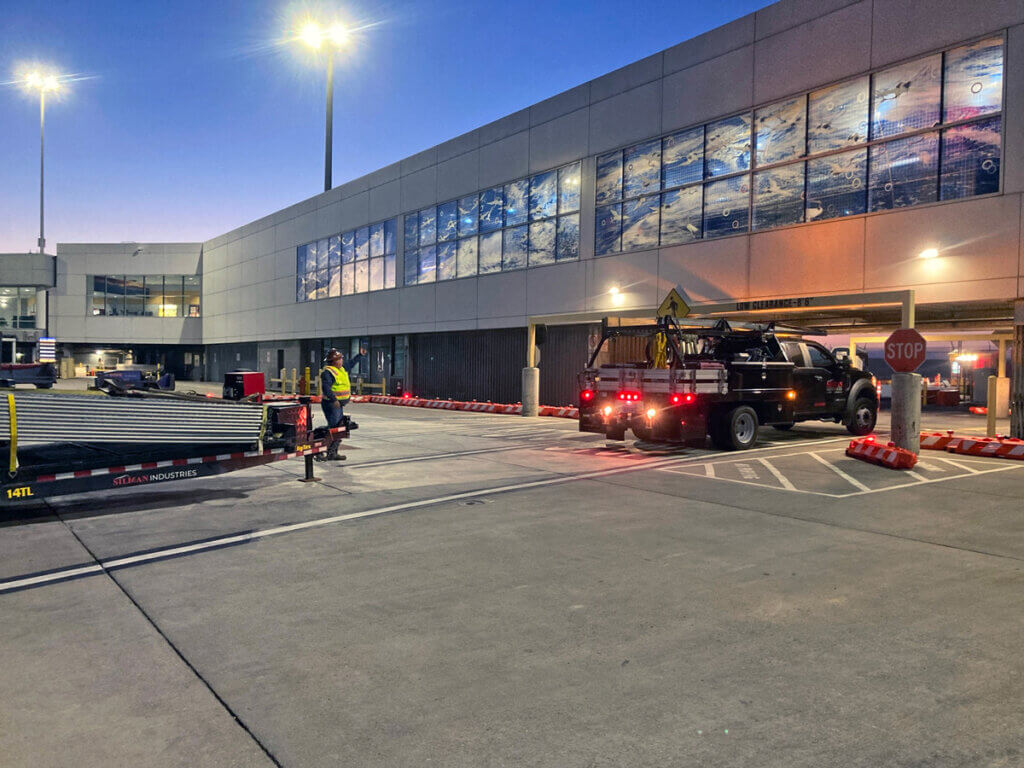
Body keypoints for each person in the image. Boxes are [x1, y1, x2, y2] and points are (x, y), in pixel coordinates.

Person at [318, 348, 351, 461]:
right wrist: (334, 400)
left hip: (338, 404)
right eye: (339, 359)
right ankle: (320, 447)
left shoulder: (341, 370)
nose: (341, 361)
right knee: (334, 429)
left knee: (338, 428)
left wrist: (359, 356)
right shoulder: (328, 372)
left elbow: (351, 364)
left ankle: (332, 452)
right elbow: (326, 388)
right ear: (333, 361)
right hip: (331, 404)